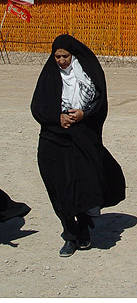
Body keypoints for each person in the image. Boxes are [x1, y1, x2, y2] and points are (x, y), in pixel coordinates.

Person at [31, 34, 126, 257]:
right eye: (57, 57)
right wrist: (58, 118)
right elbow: (38, 106)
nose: (61, 61)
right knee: (59, 189)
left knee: (83, 186)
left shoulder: (87, 74)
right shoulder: (49, 77)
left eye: (65, 56)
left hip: (82, 137)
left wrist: (85, 113)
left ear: (72, 55)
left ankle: (83, 229)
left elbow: (99, 100)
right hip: (53, 140)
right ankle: (70, 234)